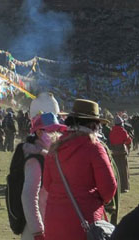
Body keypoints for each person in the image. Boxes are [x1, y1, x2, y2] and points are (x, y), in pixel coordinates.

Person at [42, 99, 117, 240]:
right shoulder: (94, 147)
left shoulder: (55, 147)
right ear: (93, 124)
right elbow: (108, 188)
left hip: (54, 221)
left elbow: (47, 184)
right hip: (85, 222)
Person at [21, 112, 66, 240]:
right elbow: (28, 196)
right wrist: (38, 232)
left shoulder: (48, 157)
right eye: (52, 131)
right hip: (38, 229)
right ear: (39, 133)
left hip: (46, 224)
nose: (57, 135)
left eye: (58, 130)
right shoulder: (36, 160)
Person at [110, 116, 132, 192]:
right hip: (122, 152)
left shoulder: (112, 131)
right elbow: (128, 140)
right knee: (124, 170)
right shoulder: (123, 131)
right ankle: (124, 187)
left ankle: (117, 186)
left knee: (116, 170)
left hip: (114, 152)